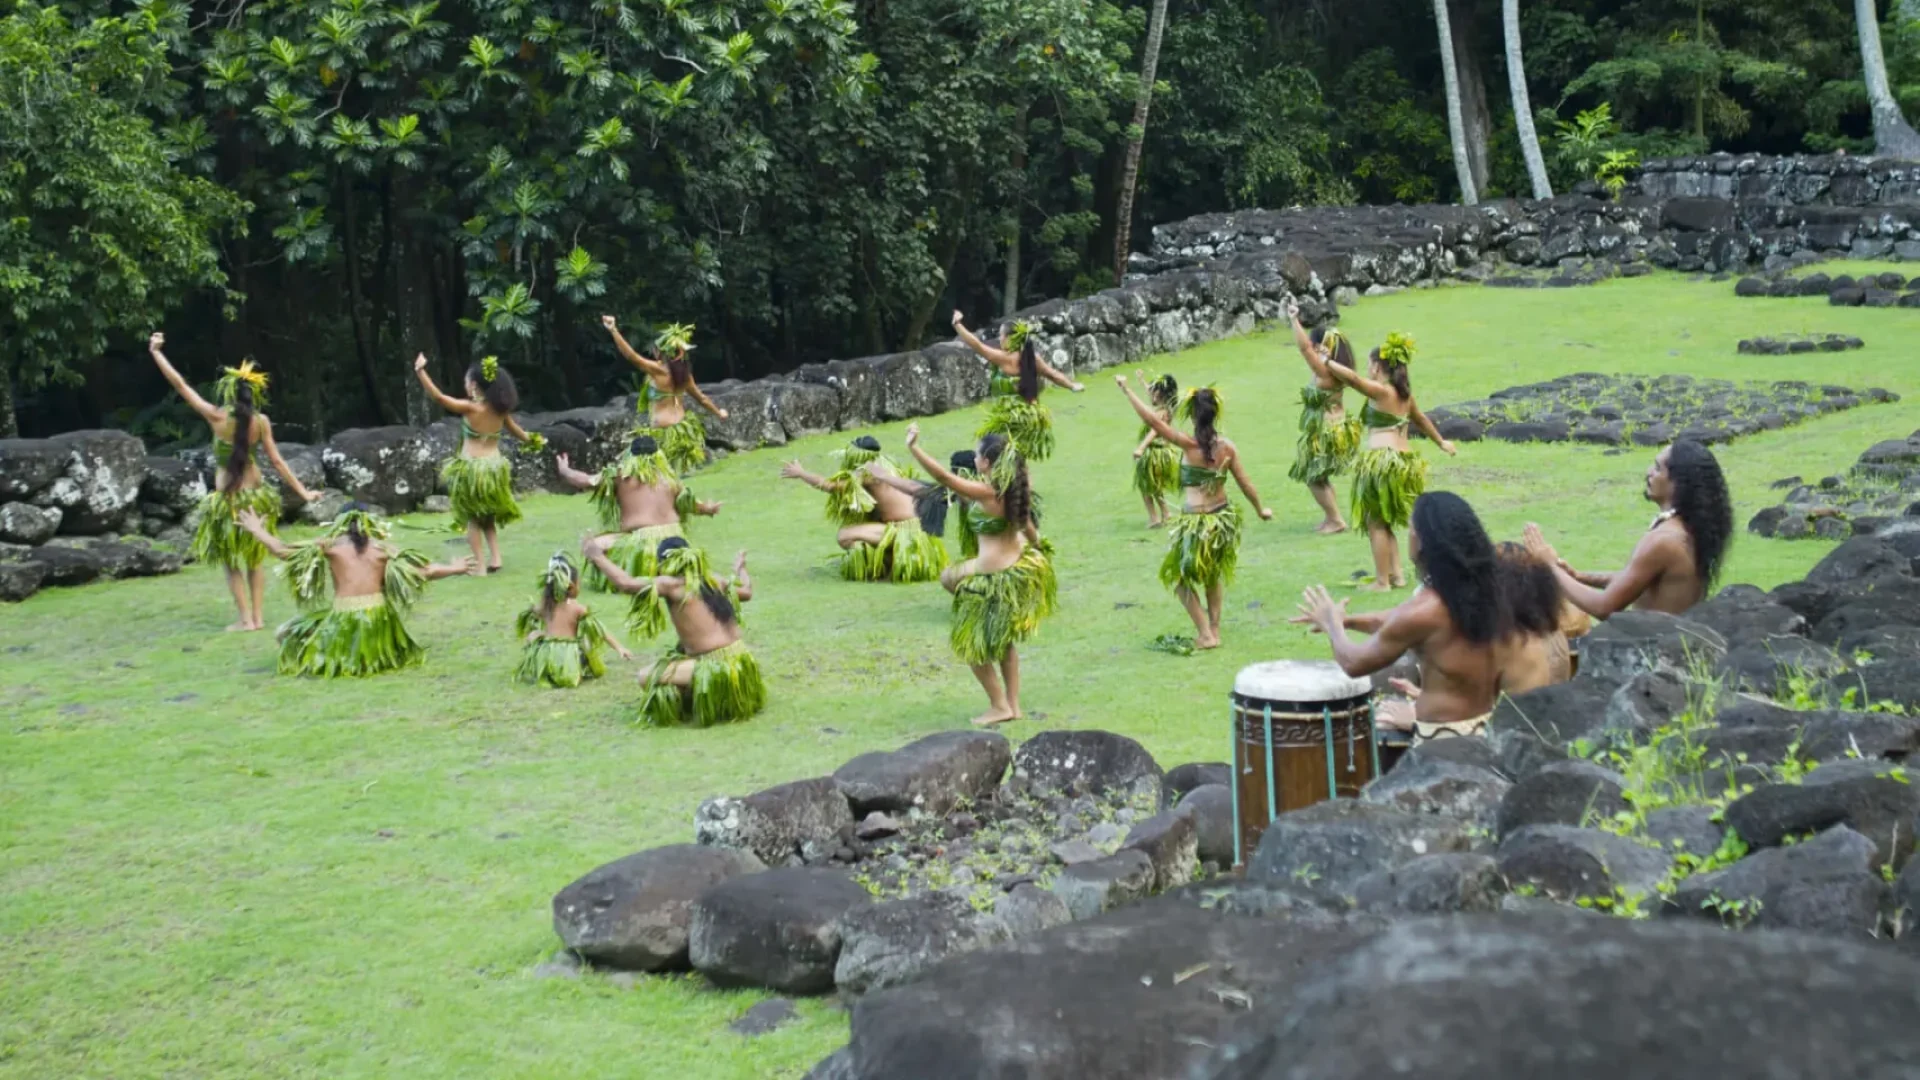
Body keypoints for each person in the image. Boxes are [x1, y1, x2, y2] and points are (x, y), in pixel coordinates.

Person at [1294, 491, 1502, 744]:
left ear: (1423, 541)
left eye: (1411, 529)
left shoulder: (1426, 609)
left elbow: (1354, 663)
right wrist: (1348, 621)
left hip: (1443, 742)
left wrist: (1332, 625)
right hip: (1484, 729)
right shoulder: (1480, 587)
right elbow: (1396, 620)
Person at [147, 334, 321, 631]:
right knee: (255, 559)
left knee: (232, 562)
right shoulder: (262, 422)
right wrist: (303, 492)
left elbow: (180, 385)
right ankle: (259, 617)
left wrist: (157, 353)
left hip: (227, 502)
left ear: (228, 394)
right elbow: (278, 461)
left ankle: (245, 619)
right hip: (257, 496)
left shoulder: (215, 416)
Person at [904, 425, 1057, 727]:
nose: (974, 458)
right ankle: (1012, 706)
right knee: (1004, 643)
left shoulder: (989, 493)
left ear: (986, 462)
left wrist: (914, 448)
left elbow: (945, 478)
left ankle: (999, 706)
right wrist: (1039, 546)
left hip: (991, 580)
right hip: (1011, 572)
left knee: (973, 647)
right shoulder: (1013, 490)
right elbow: (1027, 527)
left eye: (977, 454)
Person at [1117, 377, 1273, 650]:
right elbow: (1245, 483)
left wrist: (1127, 390)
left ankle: (1205, 634)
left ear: (1192, 414)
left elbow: (1153, 422)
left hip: (1196, 523)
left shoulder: (1188, 444)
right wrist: (1261, 510)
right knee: (1212, 576)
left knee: (1180, 580)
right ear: (1215, 414)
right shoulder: (1227, 447)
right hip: (1221, 520)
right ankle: (1215, 629)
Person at [236, 504, 470, 677]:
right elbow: (424, 571)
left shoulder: (332, 547)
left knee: (284, 632)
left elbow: (283, 551)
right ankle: (364, 657)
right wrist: (454, 568)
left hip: (343, 620)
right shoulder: (383, 549)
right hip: (379, 621)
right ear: (371, 524)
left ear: (339, 525)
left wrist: (257, 530)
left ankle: (336, 656)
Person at [1525, 441, 1733, 618]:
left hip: (1654, 650)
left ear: (1679, 484)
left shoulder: (1664, 540)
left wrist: (1548, 567)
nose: (1649, 473)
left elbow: (1604, 607)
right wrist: (1579, 577)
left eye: (1658, 468)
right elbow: (1639, 579)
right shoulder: (1688, 527)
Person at [1322, 331, 1457, 590]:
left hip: (1382, 463)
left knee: (1376, 523)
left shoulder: (1382, 392)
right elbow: (1422, 420)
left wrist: (1327, 362)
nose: (1367, 368)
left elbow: (1351, 379)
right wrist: (1441, 442)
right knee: (1386, 521)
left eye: (1370, 363)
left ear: (1377, 366)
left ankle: (1382, 581)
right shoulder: (1406, 396)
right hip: (1404, 464)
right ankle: (1397, 575)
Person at [587, 538, 765, 727]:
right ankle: (711, 700)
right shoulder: (715, 579)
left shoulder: (672, 584)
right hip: (742, 664)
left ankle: (700, 701)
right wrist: (740, 570)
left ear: (664, 564)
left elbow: (626, 584)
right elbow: (747, 591)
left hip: (716, 668)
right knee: (678, 655)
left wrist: (597, 556)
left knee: (645, 677)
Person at [414, 353, 538, 575]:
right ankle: (496, 558)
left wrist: (420, 372)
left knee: (472, 517)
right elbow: (519, 432)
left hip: (473, 470)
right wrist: (534, 440)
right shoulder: (500, 412)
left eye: (466, 382)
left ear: (473, 385)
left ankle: (480, 566)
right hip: (494, 467)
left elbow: (440, 398)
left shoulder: (472, 409)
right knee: (487, 515)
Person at [556, 435, 720, 591]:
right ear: (658, 455)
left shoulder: (620, 476)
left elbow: (584, 480)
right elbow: (694, 506)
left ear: (630, 456)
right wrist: (710, 508)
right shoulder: (670, 479)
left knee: (594, 546)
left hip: (641, 542)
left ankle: (627, 577)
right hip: (675, 541)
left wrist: (564, 470)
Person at [779, 436, 948, 583]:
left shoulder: (867, 473)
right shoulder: (887, 466)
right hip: (918, 534)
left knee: (844, 536)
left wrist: (801, 473)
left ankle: (885, 568)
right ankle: (892, 565)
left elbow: (831, 486)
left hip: (905, 533)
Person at [602, 316, 728, 473]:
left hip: (661, 433)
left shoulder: (659, 370)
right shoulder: (685, 375)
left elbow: (632, 356)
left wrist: (613, 330)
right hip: (682, 430)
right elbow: (702, 399)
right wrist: (719, 413)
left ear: (660, 352)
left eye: (655, 349)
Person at [951, 313, 1084, 461]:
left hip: (1007, 420)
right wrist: (1072, 385)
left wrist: (958, 324)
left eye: (1001, 335)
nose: (999, 339)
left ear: (1010, 338)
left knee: (996, 456)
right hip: (1027, 418)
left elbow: (976, 344)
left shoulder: (1004, 358)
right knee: (1016, 459)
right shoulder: (1031, 357)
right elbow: (1053, 374)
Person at [1284, 302, 1364, 533]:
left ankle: (1336, 520)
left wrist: (1294, 319)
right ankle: (1332, 517)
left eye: (1315, 344)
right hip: (1335, 428)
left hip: (1326, 431)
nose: (1312, 347)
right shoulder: (1336, 368)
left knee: (1313, 477)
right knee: (1320, 476)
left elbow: (1304, 349)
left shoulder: (1325, 371)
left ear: (1321, 345)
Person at [516, 553, 631, 688]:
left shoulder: (544, 606)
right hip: (569, 659)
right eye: (578, 584)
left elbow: (530, 615)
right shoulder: (578, 609)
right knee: (586, 640)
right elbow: (600, 631)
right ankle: (580, 671)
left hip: (547, 657)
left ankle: (541, 670)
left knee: (533, 634)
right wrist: (619, 648)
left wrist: (536, 635)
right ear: (571, 586)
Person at [1128, 372, 1182, 528]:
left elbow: (1154, 431)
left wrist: (1141, 447)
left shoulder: (1162, 413)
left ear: (1160, 394)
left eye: (1154, 391)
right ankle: (1166, 514)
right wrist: (1141, 381)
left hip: (1154, 452)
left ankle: (1154, 517)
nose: (1150, 394)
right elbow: (1150, 392)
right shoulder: (1165, 408)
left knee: (1145, 485)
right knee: (1156, 486)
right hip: (1160, 451)